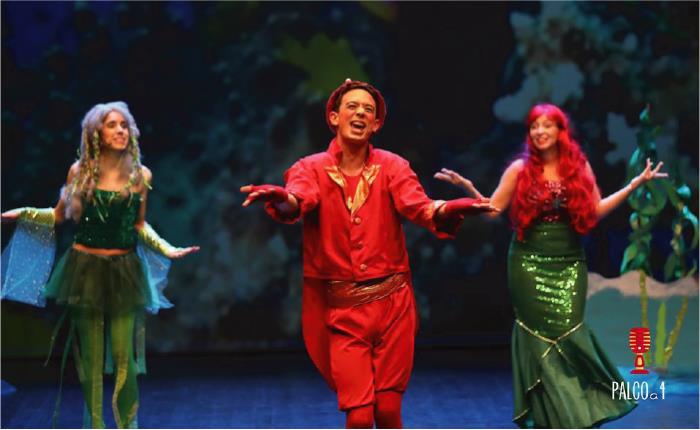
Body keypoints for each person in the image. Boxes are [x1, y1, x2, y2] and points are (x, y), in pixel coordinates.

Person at [241, 79, 497, 428]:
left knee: (388, 411)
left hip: (393, 306)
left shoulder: (393, 166)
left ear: (376, 124)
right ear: (334, 117)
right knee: (360, 417)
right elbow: (298, 199)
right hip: (343, 311)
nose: (360, 113)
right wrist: (280, 197)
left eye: (368, 110)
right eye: (352, 106)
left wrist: (451, 208)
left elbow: (419, 206)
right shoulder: (310, 168)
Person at [435, 103, 666, 428]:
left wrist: (634, 185)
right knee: (537, 337)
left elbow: (596, 211)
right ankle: (554, 419)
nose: (540, 131)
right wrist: (467, 189)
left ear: (560, 131)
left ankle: (579, 413)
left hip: (569, 263)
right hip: (527, 264)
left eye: (546, 125)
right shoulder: (519, 169)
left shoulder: (578, 166)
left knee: (569, 333)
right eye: (534, 126)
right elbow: (492, 210)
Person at [1, 101, 199, 428]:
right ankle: (95, 425)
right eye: (112, 125)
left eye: (124, 125)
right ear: (97, 133)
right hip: (85, 270)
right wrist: (23, 213)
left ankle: (127, 426)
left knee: (124, 358)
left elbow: (138, 224)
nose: (121, 130)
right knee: (90, 358)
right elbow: (59, 215)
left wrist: (168, 248)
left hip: (124, 271)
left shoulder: (140, 175)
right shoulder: (79, 172)